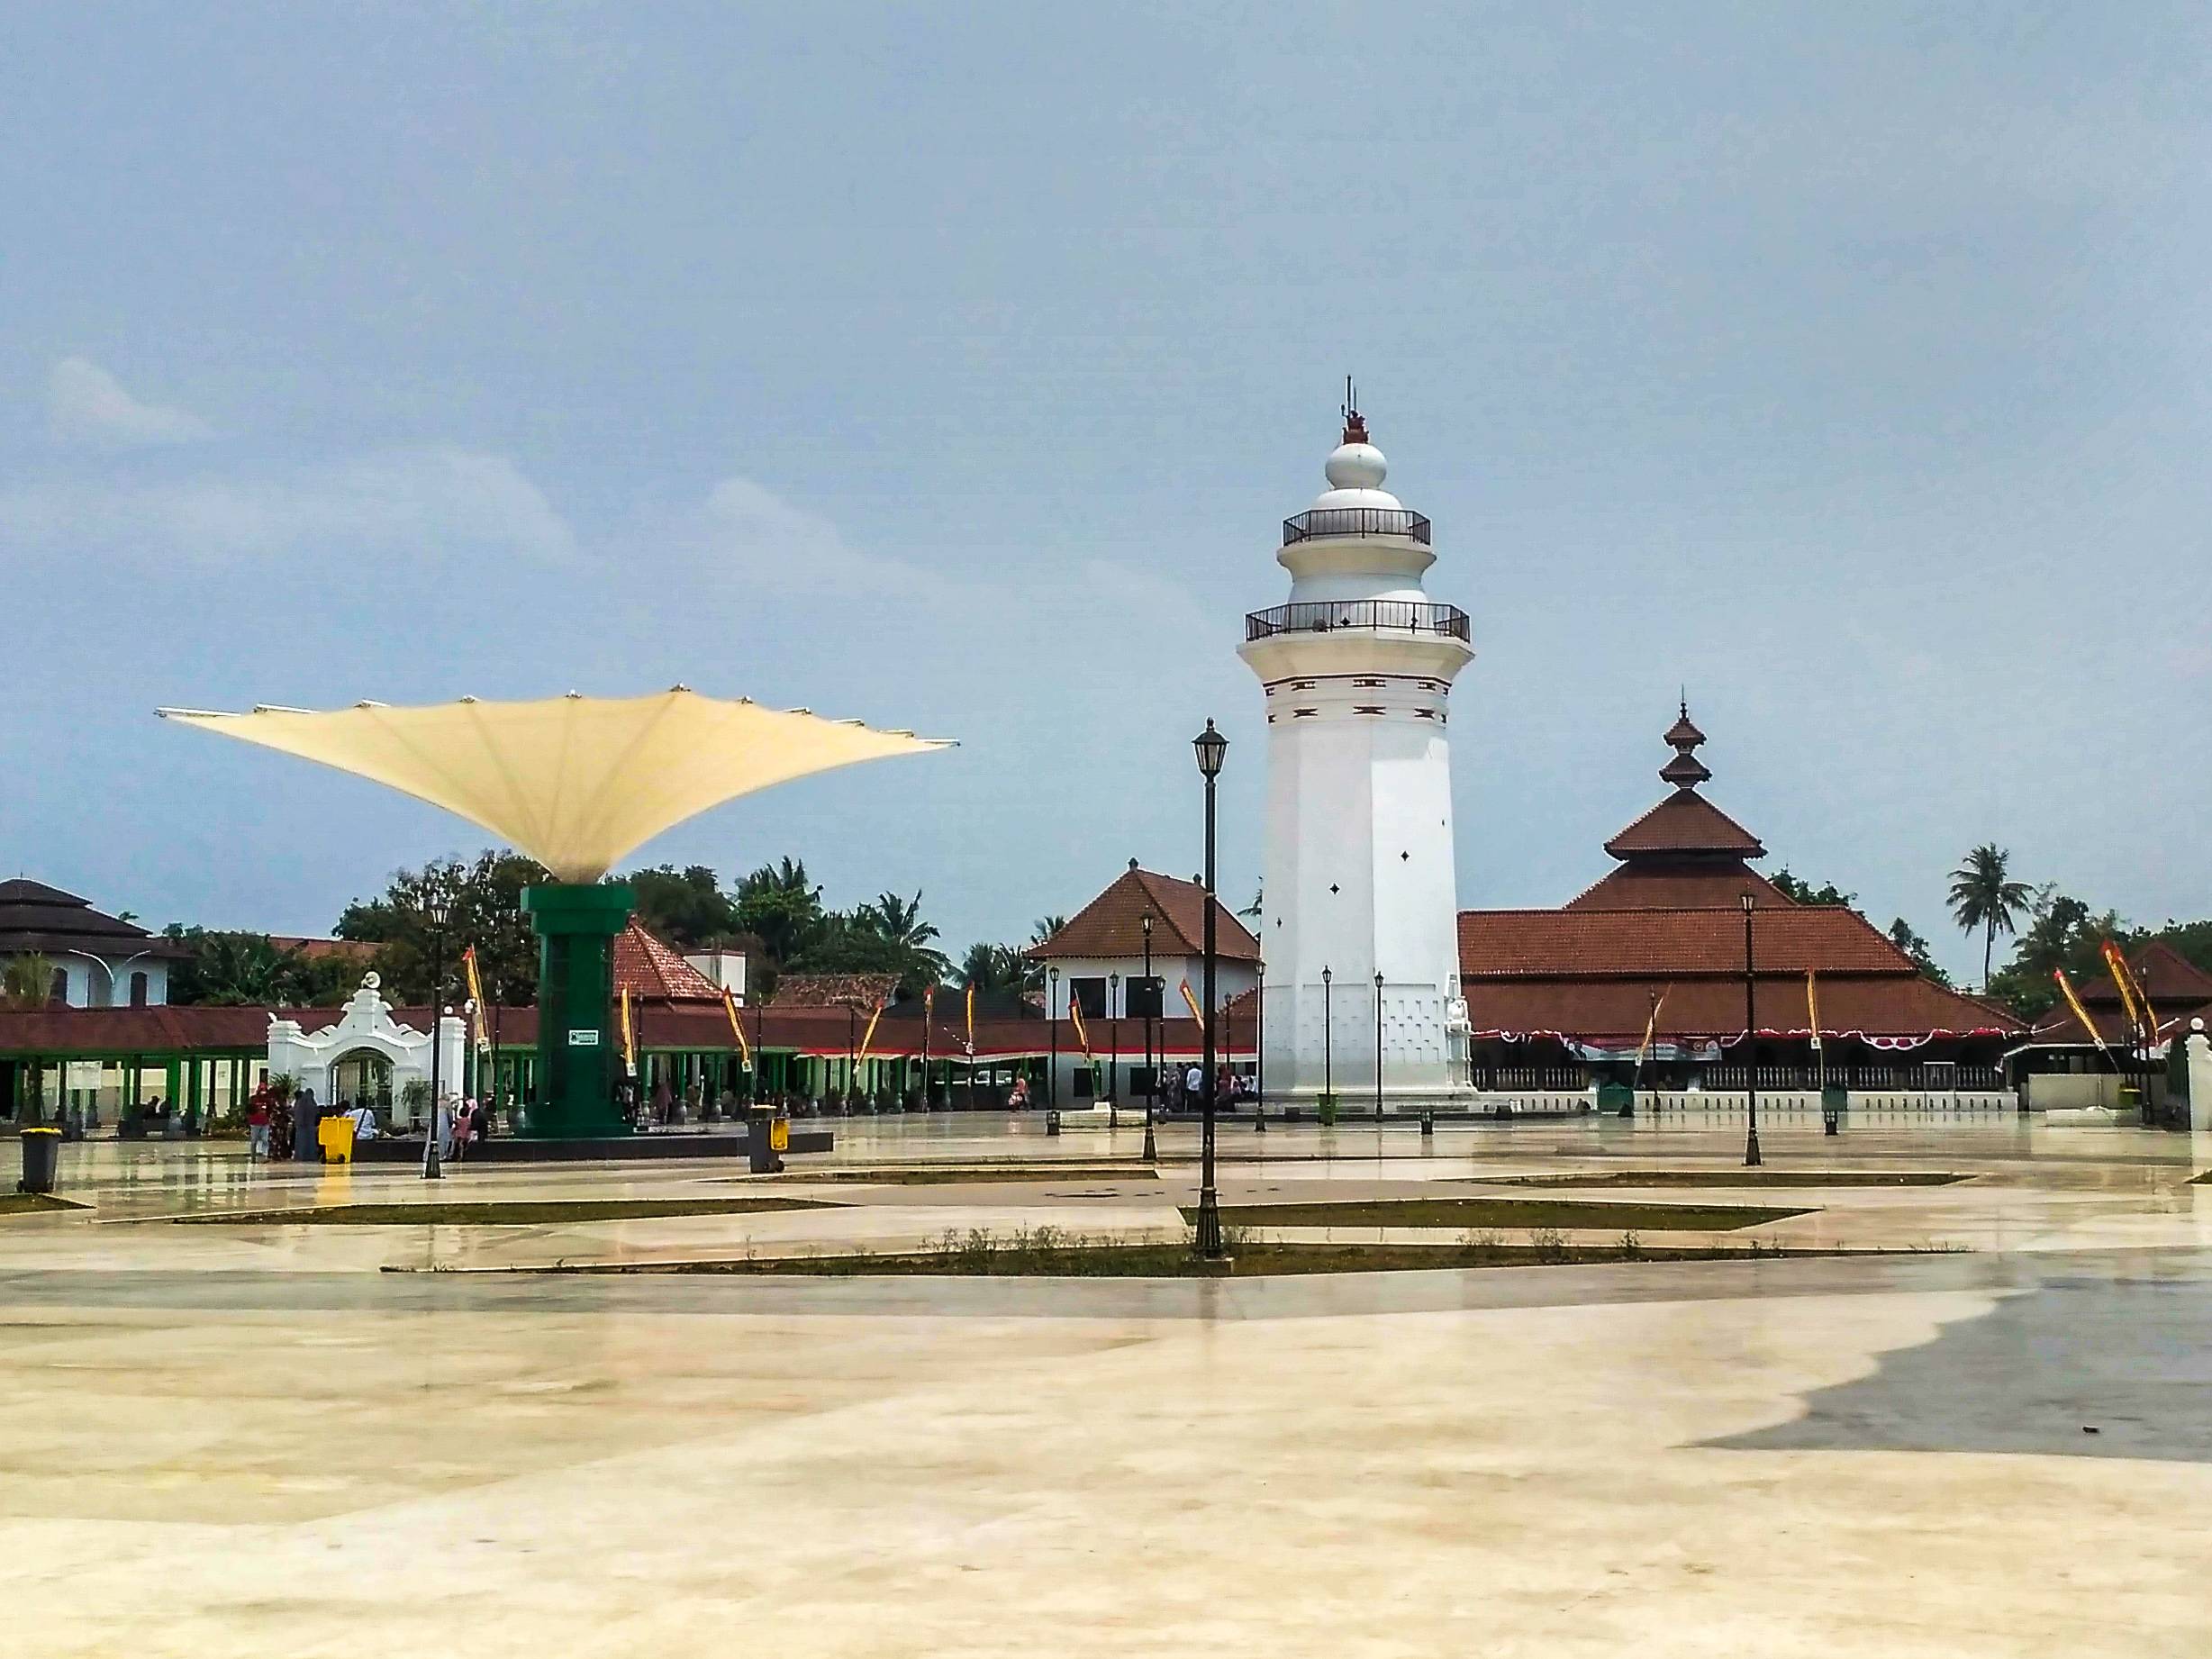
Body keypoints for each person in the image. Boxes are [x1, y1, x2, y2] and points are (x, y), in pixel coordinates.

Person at [246, 1086, 272, 1159]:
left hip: (265, 1123)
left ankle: (265, 1155)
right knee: (254, 1140)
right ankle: (253, 1155)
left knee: (265, 1139)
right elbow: (249, 1110)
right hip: (255, 1123)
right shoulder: (253, 1099)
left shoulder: (267, 1100)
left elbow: (269, 1110)